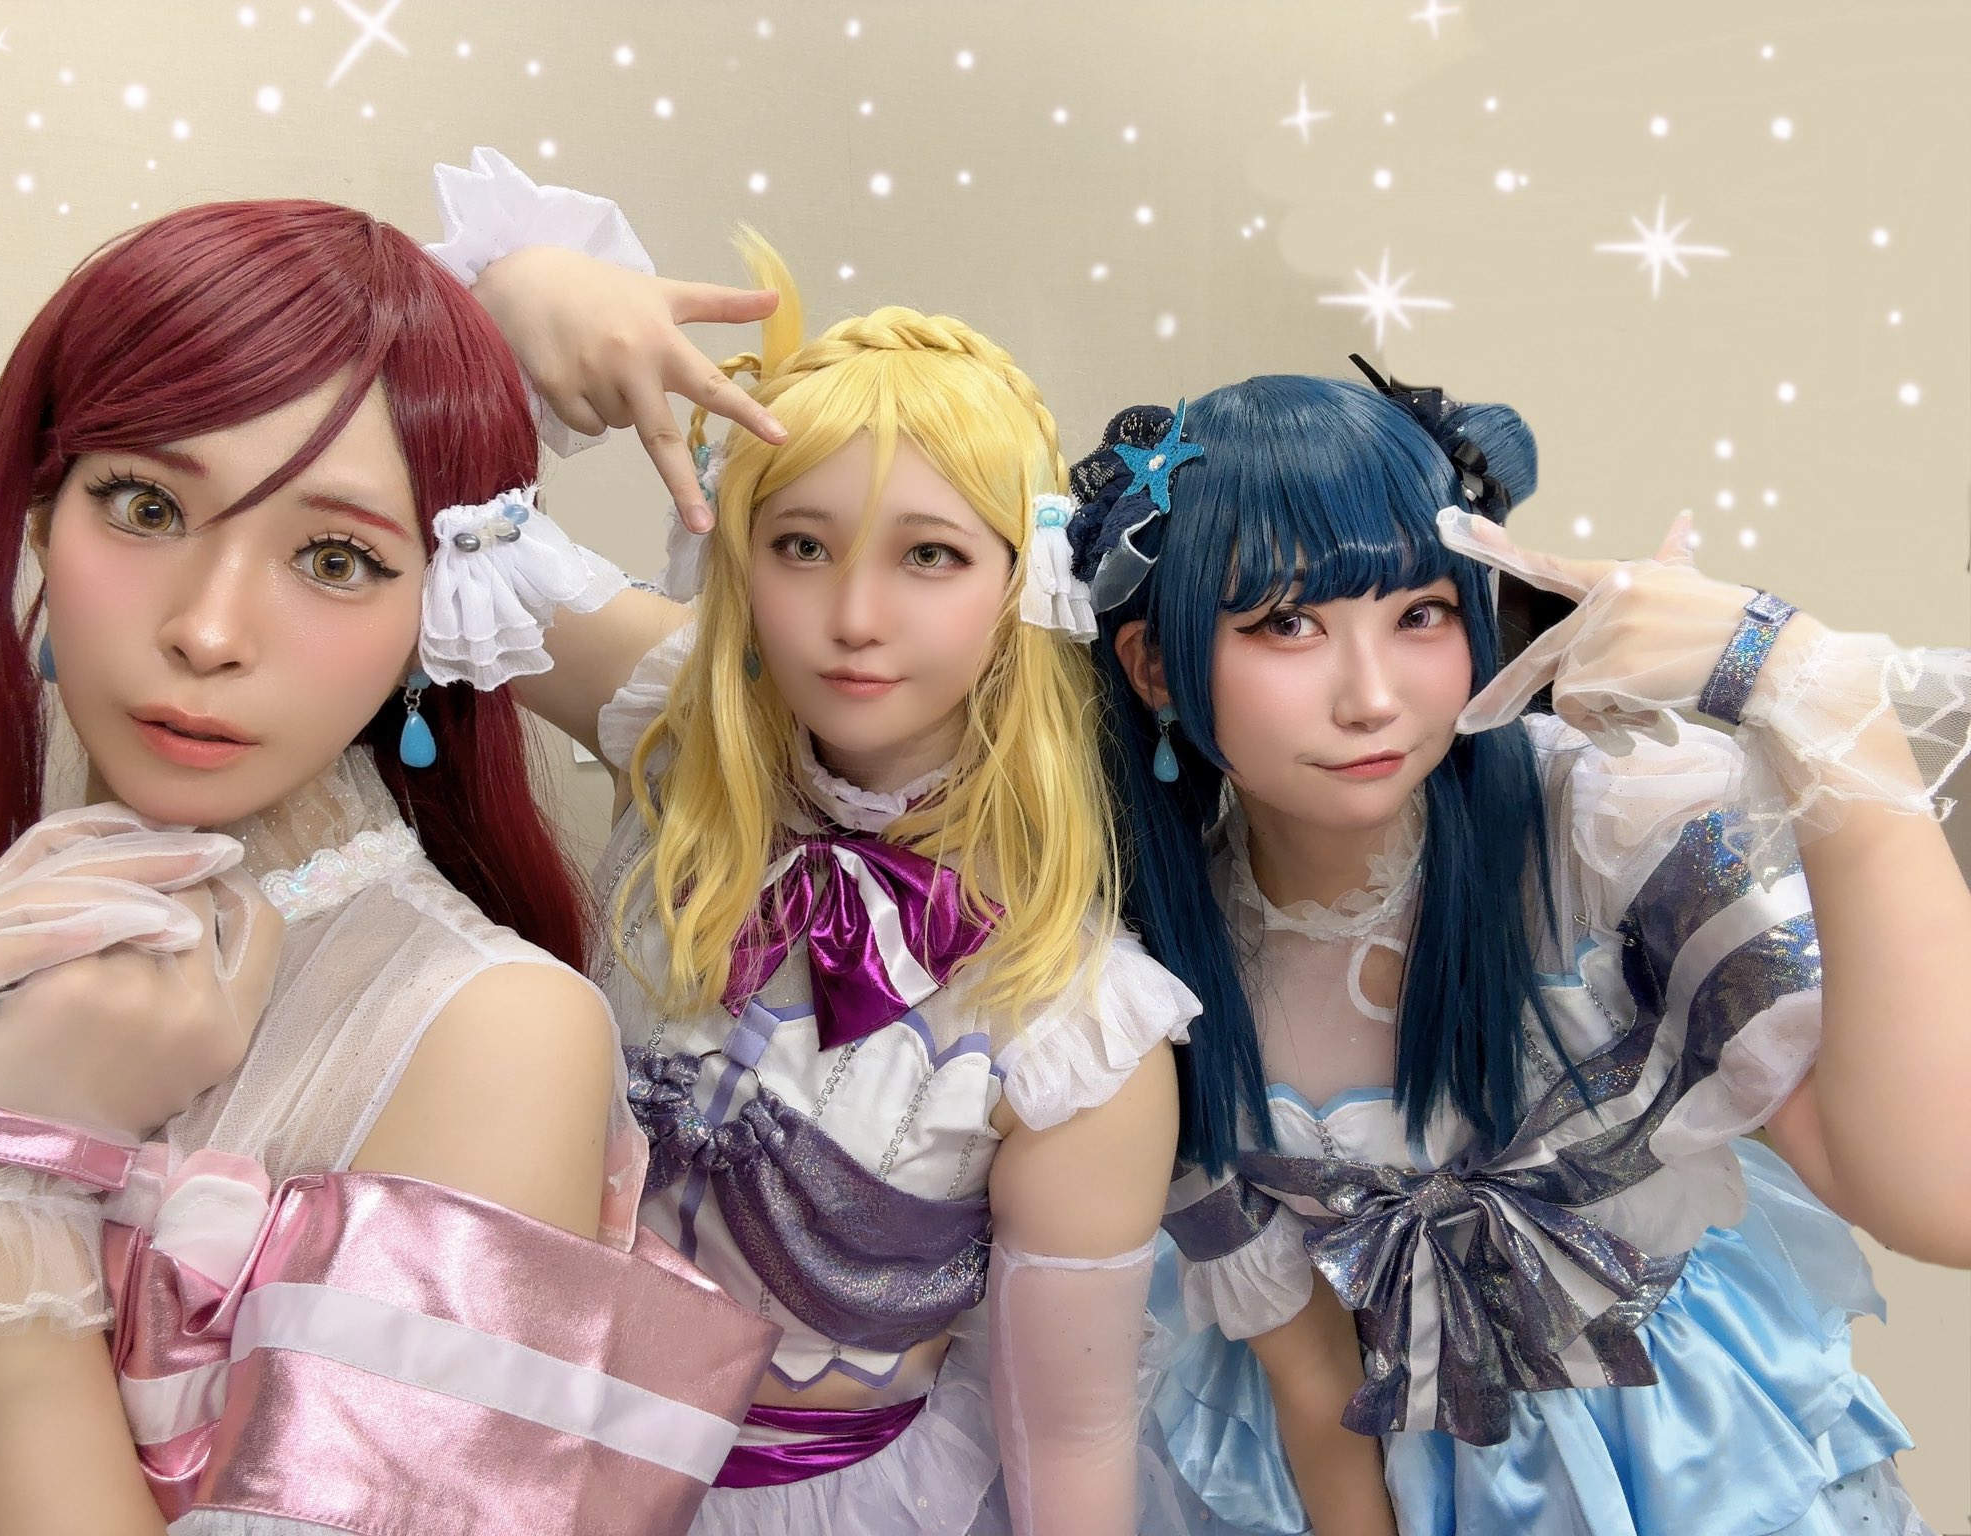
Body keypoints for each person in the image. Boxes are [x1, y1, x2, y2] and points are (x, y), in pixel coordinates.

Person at [0, 196, 777, 1536]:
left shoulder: (490, 1035)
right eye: (145, 504)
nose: (208, 630)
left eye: (334, 557)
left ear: (437, 607)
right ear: (40, 518)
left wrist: (10, 1170)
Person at [427, 148, 1201, 1534]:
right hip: (518, 1473)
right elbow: (423, 522)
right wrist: (517, 293)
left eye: (930, 555)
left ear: (1023, 582)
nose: (853, 615)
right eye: (800, 545)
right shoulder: (678, 725)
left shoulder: (1084, 1034)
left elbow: (1074, 1448)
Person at [1070, 366, 1970, 1534]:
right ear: (1152, 664)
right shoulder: (1156, 961)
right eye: (1284, 624)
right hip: (1390, 1474)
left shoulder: (1602, 826)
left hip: (1697, 1457)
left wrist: (1803, 691)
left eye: (1419, 614)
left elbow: (1939, 1200)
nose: (1369, 696)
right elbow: (1306, 1372)